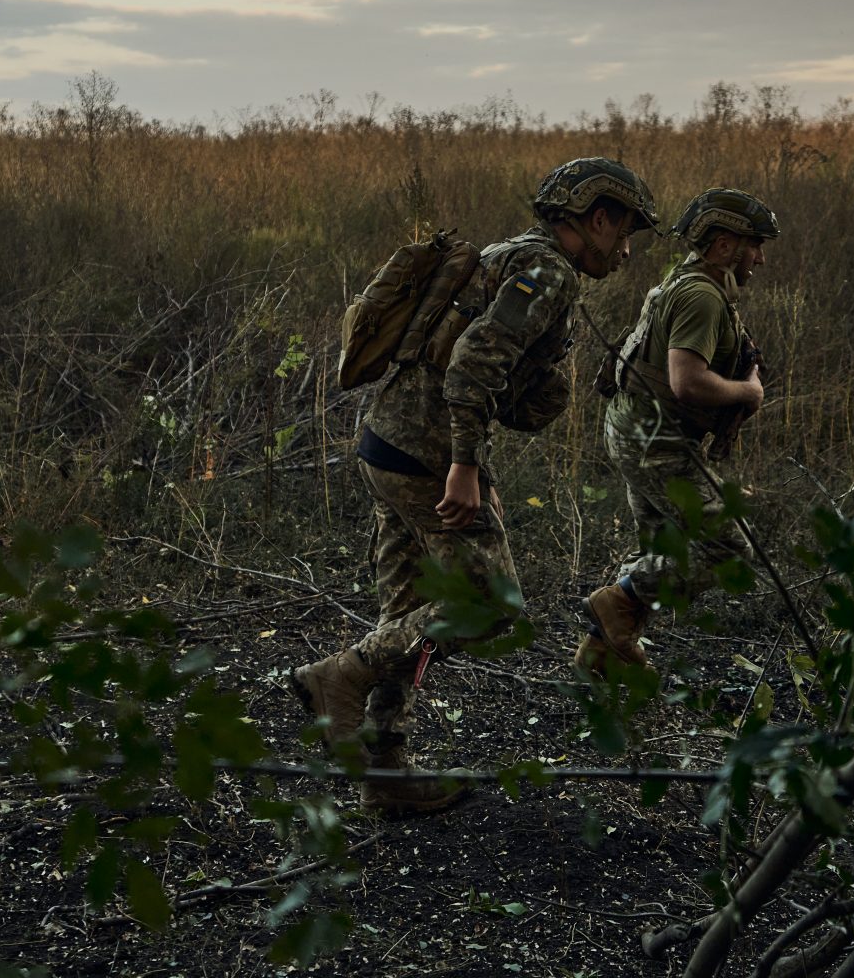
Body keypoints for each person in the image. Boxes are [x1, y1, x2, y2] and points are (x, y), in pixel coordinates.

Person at [293, 157, 659, 814]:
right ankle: (337, 679)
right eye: (626, 231)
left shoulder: (507, 254)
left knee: (407, 606)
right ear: (597, 218)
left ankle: (383, 771)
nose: (628, 250)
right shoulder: (546, 272)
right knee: (490, 605)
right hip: (429, 457)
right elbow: (473, 365)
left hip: (388, 440)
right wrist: (465, 467)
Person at [575, 187, 780, 673]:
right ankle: (616, 601)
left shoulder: (687, 282)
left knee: (664, 550)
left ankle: (603, 656)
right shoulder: (702, 297)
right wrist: (749, 394)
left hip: (638, 431)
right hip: (657, 441)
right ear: (724, 245)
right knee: (728, 551)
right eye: (755, 245)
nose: (761, 259)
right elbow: (686, 381)